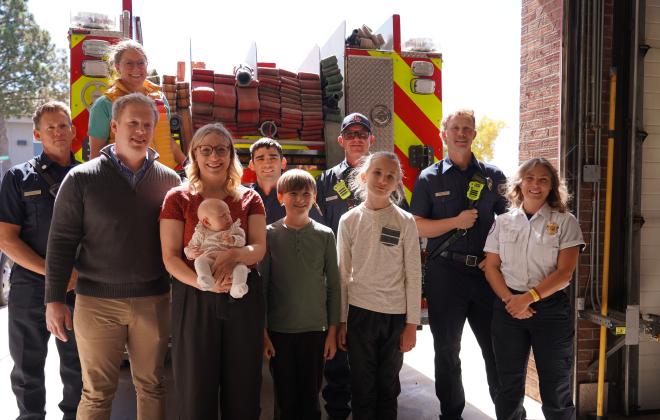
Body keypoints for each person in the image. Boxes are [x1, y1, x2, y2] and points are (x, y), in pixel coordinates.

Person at [44, 93, 181, 419]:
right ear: (115, 126)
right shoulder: (81, 178)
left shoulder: (170, 182)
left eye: (147, 124)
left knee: (152, 386)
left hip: (154, 301)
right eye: (132, 123)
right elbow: (61, 240)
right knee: (96, 392)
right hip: (95, 303)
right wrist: (54, 299)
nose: (140, 130)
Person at [160, 122, 266, 420]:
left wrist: (235, 255)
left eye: (221, 149)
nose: (214, 156)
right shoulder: (177, 198)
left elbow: (259, 247)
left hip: (242, 297)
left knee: (244, 389)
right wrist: (203, 283)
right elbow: (170, 258)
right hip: (195, 299)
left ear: (231, 154)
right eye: (205, 149)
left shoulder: (249, 197)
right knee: (195, 391)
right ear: (194, 154)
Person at [410, 109, 507, 419]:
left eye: (467, 128)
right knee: (448, 351)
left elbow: (510, 225)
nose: (462, 133)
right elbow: (418, 226)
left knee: (496, 350)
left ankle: (508, 411)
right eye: (456, 128)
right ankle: (451, 414)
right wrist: (455, 221)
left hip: (484, 274)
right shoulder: (429, 178)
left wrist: (497, 259)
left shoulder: (494, 177)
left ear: (474, 134)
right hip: (445, 275)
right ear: (444, 134)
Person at [316, 112, 409, 420]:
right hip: (340, 286)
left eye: (362, 133)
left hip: (381, 297)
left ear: (371, 139)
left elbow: (404, 244)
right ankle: (339, 414)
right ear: (341, 140)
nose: (356, 137)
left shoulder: (392, 189)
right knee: (340, 367)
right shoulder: (326, 180)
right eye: (350, 133)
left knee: (378, 378)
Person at [483, 158, 584, 420]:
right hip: (508, 310)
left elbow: (565, 273)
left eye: (543, 180)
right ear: (520, 183)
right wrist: (511, 301)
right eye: (529, 178)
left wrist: (528, 299)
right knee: (508, 386)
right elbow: (491, 266)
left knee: (556, 386)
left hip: (550, 312)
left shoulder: (565, 221)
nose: (535, 185)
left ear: (552, 186)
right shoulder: (503, 222)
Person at [0, 101, 82, 420]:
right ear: (37, 133)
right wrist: (55, 274)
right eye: (50, 127)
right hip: (31, 286)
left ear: (73, 131)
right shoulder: (18, 178)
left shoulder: (89, 176)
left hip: (78, 287)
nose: (58, 132)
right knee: (27, 369)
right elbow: (7, 239)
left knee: (78, 368)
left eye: (63, 125)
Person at [336, 151, 422, 420]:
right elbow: (342, 274)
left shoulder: (405, 222)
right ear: (364, 176)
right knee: (362, 386)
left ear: (397, 183)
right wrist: (341, 321)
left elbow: (414, 274)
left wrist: (411, 324)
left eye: (390, 176)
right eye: (377, 173)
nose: (383, 180)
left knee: (388, 386)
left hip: (395, 317)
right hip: (359, 314)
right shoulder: (348, 221)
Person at [261, 169, 340, 420]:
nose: (300, 199)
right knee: (285, 399)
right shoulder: (268, 234)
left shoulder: (325, 235)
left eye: (306, 193)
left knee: (310, 397)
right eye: (293, 193)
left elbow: (334, 286)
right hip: (279, 332)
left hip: (315, 331)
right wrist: (263, 333)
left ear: (315, 196)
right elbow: (262, 288)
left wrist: (333, 331)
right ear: (280, 196)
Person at [87, 39, 185, 169]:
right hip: (125, 183)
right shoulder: (104, 104)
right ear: (117, 67)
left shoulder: (160, 98)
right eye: (129, 63)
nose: (136, 68)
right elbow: (96, 156)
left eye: (140, 63)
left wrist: (188, 165)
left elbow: (167, 140)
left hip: (164, 179)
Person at [184, 198, 249, 298]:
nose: (228, 217)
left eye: (228, 213)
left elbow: (242, 241)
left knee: (242, 268)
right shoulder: (201, 233)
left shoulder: (234, 230)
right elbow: (189, 247)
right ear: (207, 222)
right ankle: (205, 278)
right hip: (210, 260)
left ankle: (237, 287)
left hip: (231, 263)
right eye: (223, 215)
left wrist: (233, 239)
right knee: (199, 261)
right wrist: (191, 253)